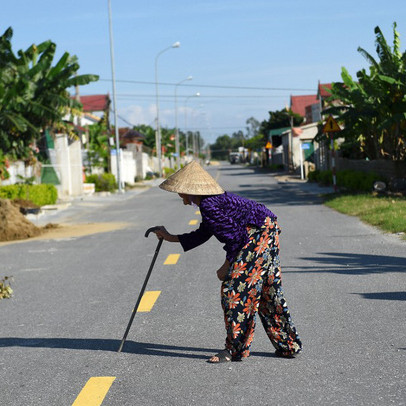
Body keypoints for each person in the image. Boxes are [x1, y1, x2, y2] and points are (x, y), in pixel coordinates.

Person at [154, 161, 302, 363]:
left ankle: (234, 349)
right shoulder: (210, 202)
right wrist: (171, 237)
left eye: (180, 192)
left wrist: (226, 267)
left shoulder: (208, 205)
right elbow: (205, 233)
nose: (180, 197)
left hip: (256, 234)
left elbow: (237, 239)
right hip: (267, 229)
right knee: (268, 289)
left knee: (234, 291)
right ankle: (288, 345)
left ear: (190, 190)